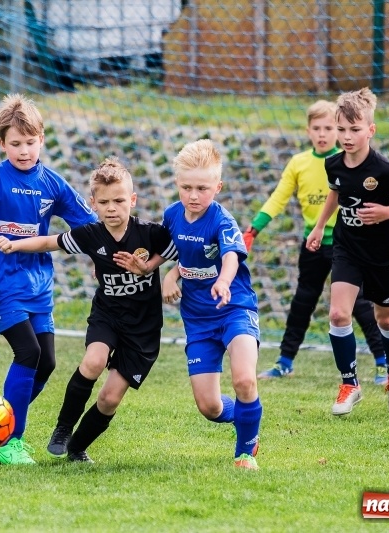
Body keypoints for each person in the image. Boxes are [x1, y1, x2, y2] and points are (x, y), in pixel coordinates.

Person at [0, 158, 177, 463]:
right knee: (93, 361)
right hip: (108, 316)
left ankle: (77, 447)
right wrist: (15, 245)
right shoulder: (91, 234)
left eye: (119, 201)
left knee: (109, 399)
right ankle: (62, 429)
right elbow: (50, 242)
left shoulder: (151, 233)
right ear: (93, 204)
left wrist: (155, 270)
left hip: (143, 328)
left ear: (132, 200)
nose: (111, 208)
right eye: (103, 202)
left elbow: (183, 251)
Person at [0, 94, 97, 465]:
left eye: (30, 142)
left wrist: (103, 252)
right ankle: (10, 442)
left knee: (47, 362)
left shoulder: (52, 184)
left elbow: (89, 226)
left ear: (42, 140)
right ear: (2, 144)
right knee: (29, 352)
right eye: (15, 143)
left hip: (38, 287)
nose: (23, 151)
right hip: (0, 286)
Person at [243, 100, 388, 384]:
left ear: (338, 130)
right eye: (317, 128)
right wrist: (254, 229)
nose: (323, 134)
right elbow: (278, 198)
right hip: (312, 243)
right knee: (303, 301)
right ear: (308, 130)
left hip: (347, 245)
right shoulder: (298, 163)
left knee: (359, 303)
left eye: (329, 128)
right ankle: (284, 362)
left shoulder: (348, 161)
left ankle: (383, 361)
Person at [305, 88, 389, 416]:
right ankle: (349, 384)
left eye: (354, 130)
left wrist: (385, 213)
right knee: (338, 315)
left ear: (370, 130)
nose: (346, 137)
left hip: (382, 254)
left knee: (386, 318)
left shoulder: (383, 169)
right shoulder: (333, 164)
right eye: (341, 129)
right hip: (347, 248)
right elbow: (335, 193)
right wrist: (319, 227)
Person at [161, 139, 263, 470]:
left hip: (234, 309)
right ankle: (246, 416)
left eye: (202, 188)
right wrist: (168, 275)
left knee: (244, 380)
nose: (193, 195)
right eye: (186, 187)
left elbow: (230, 256)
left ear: (217, 187)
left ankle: (245, 452)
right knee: (210, 407)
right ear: (177, 183)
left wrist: (223, 281)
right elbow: (175, 254)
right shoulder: (172, 216)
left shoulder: (222, 220)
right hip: (198, 319)